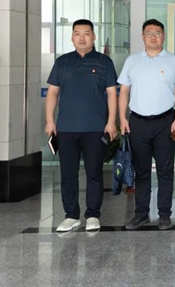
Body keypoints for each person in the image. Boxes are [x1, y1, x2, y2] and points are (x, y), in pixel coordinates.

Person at [45, 19, 117, 232]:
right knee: (68, 174)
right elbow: (53, 92)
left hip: (95, 128)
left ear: (94, 36)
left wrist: (111, 121)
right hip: (66, 128)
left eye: (86, 33)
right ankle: (71, 215)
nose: (82, 38)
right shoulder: (62, 62)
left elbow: (112, 93)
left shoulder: (104, 62)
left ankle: (93, 214)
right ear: (72, 37)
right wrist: (50, 120)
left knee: (94, 172)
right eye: (77, 33)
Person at [118, 19, 175, 231]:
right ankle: (141, 214)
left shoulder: (174, 61)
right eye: (149, 33)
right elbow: (124, 91)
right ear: (143, 37)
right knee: (142, 171)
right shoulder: (132, 61)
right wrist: (122, 118)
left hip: (165, 122)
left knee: (165, 171)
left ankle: (164, 214)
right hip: (138, 122)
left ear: (163, 36)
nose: (153, 36)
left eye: (158, 33)